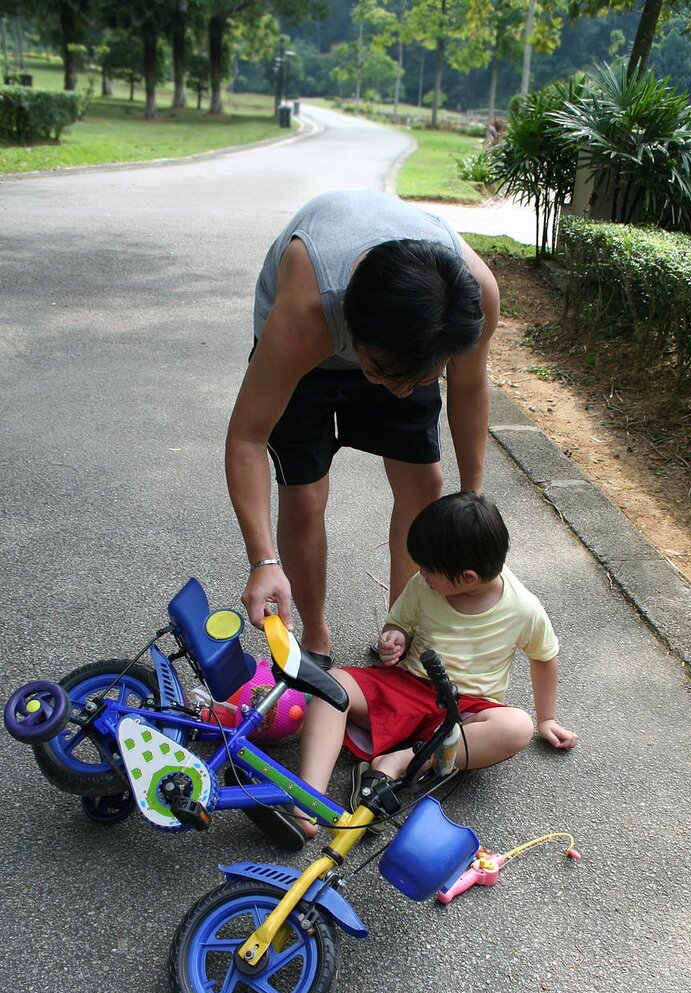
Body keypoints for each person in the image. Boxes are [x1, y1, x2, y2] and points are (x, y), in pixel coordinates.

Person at [226, 190, 499, 667]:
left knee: (425, 482)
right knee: (304, 494)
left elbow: (470, 389)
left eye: (417, 380)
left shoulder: (470, 300)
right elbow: (247, 436)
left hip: (405, 327)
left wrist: (473, 497)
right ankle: (314, 635)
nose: (398, 392)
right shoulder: (307, 311)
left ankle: (402, 627)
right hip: (312, 351)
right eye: (379, 374)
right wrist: (262, 560)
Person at [293, 491, 578, 839]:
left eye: (429, 570)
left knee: (517, 726)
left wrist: (546, 718)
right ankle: (306, 799)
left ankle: (398, 762)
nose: (421, 574)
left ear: (468, 578)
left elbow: (544, 657)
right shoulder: (425, 586)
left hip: (464, 711)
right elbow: (400, 625)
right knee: (333, 684)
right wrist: (394, 638)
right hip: (408, 686)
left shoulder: (524, 609)